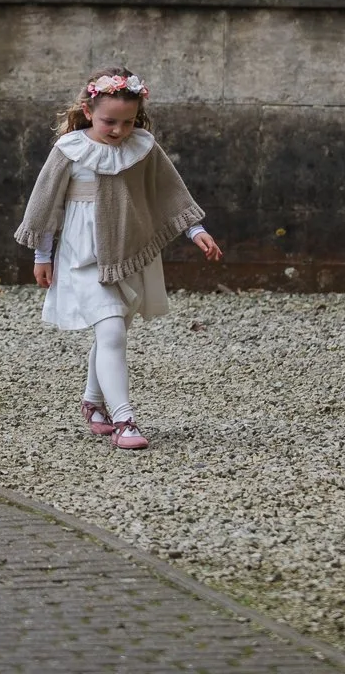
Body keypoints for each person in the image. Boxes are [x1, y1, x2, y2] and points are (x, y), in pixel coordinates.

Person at [18, 69, 223, 452]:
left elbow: (168, 191)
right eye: (109, 121)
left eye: (127, 122)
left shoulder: (142, 147)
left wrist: (196, 231)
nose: (118, 130)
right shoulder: (69, 150)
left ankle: (93, 403)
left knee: (111, 330)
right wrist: (42, 255)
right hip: (83, 255)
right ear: (88, 110)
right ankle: (124, 420)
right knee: (111, 331)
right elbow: (47, 206)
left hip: (130, 251)